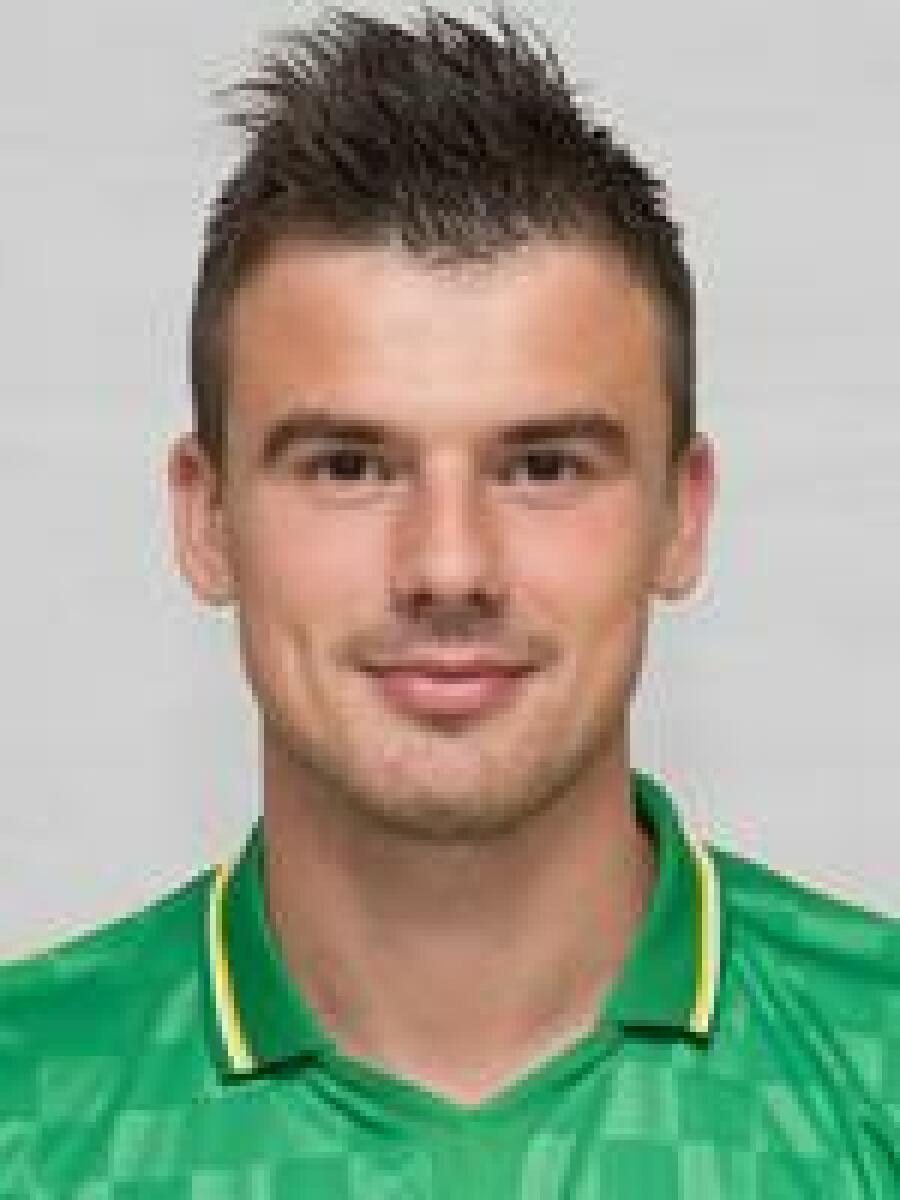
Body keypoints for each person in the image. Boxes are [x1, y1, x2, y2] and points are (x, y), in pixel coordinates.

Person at [1, 5, 898, 1195]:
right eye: (348, 466)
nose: (448, 565)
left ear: (681, 516)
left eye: (544, 467)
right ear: (206, 518)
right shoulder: (24, 1106)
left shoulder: (878, 1070)